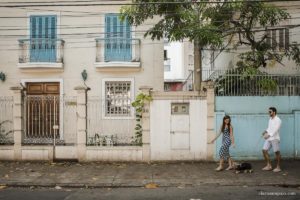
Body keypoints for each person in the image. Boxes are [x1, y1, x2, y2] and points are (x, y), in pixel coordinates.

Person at [262, 107, 282, 172]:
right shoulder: (270, 119)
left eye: (270, 112)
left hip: (275, 138)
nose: (269, 113)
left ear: (274, 112)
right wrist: (265, 131)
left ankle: (278, 167)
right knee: (264, 150)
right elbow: (269, 128)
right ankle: (269, 166)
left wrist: (268, 135)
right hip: (269, 138)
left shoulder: (278, 120)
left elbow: (276, 130)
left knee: (277, 152)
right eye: (268, 112)